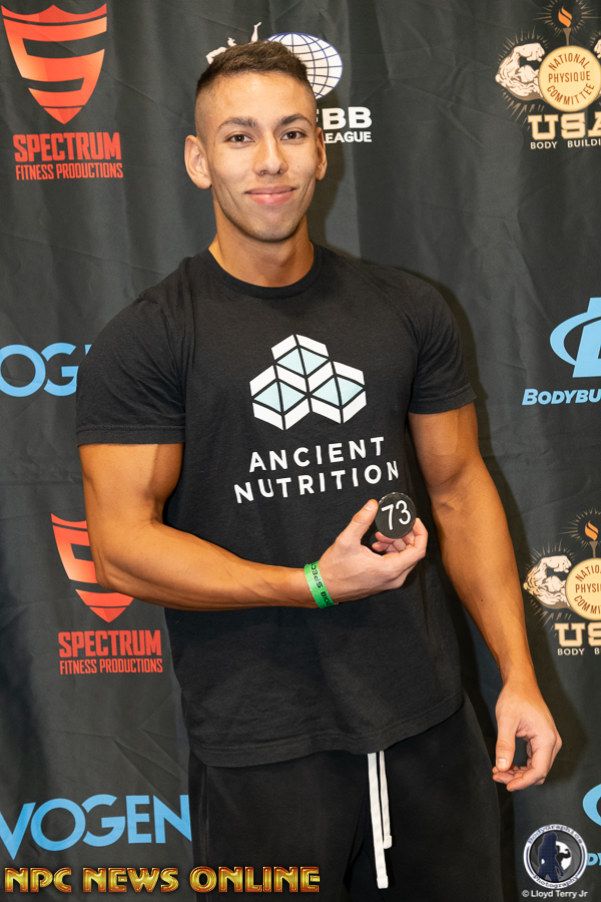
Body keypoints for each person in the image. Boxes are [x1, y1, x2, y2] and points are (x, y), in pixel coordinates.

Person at [76, 40, 561, 901]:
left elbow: (457, 490)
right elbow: (120, 549)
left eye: (292, 133)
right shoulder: (150, 338)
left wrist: (518, 677)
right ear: (198, 160)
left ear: (321, 151)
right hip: (261, 746)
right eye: (239, 137)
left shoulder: (407, 309)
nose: (270, 160)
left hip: (425, 726)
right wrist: (308, 585)